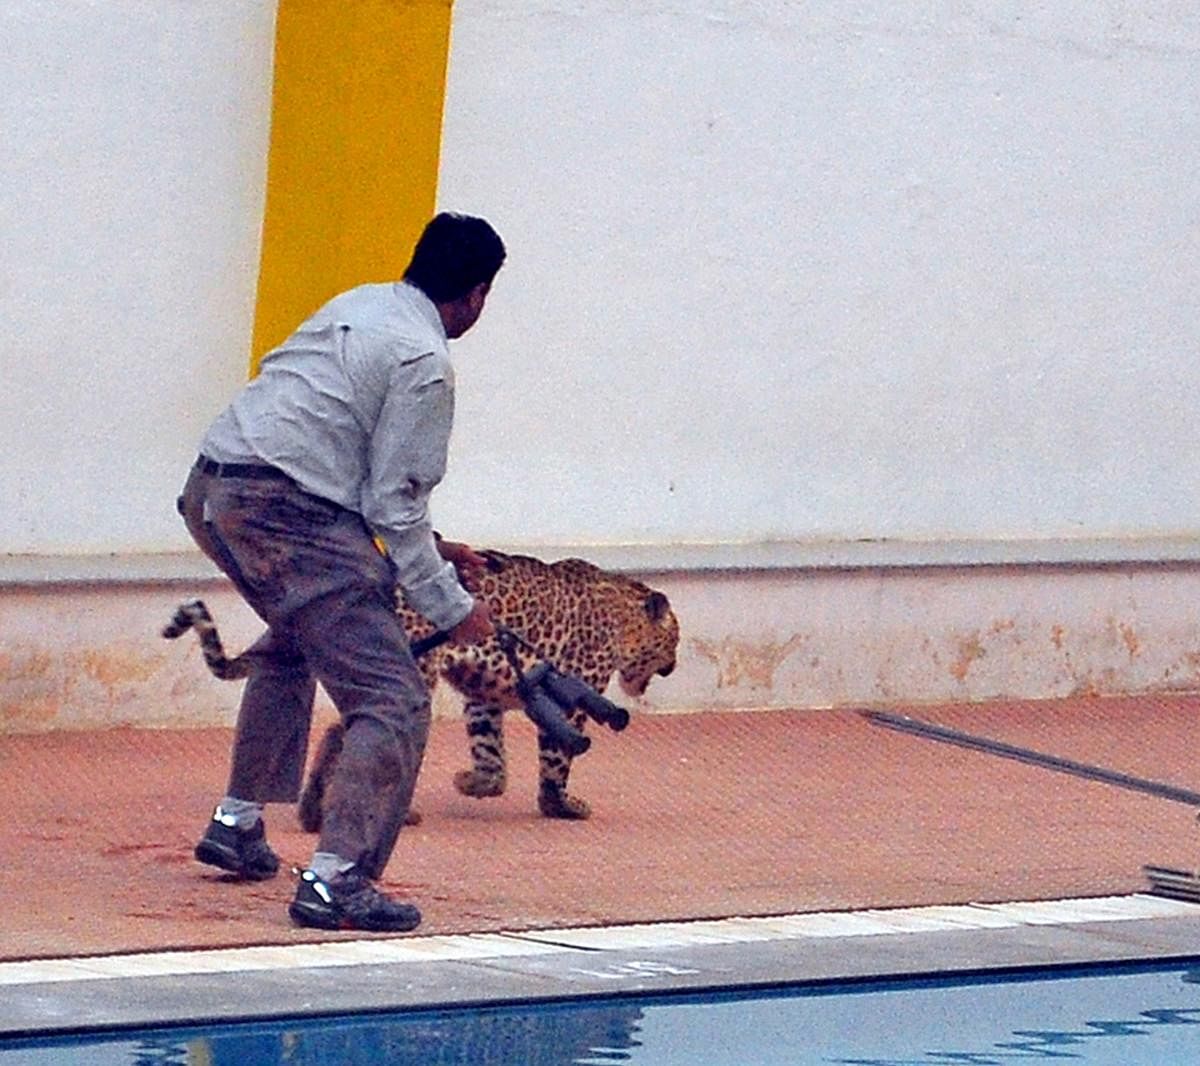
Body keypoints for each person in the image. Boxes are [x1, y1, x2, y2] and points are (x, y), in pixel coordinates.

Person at [177, 212, 505, 932]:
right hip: (282, 512)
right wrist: (451, 606)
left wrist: (435, 546)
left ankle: (236, 826)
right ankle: (337, 879)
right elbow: (395, 500)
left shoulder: (359, 305)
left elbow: (334, 455)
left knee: (294, 641)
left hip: (212, 492)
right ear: (477, 295)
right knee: (393, 699)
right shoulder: (426, 362)